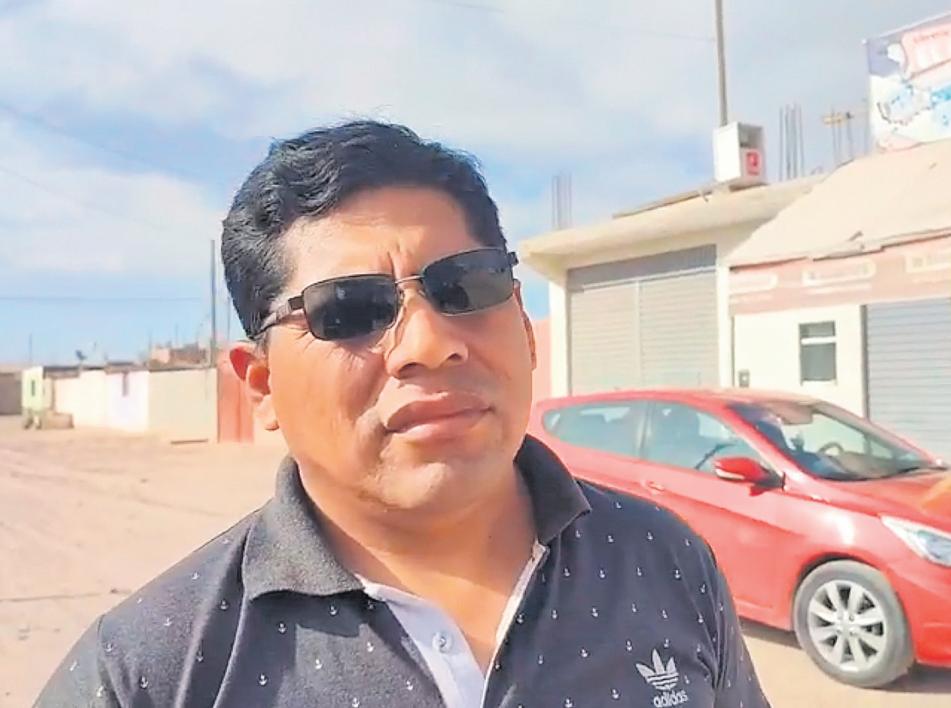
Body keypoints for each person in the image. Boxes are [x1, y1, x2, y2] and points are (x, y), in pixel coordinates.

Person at [37, 121, 771, 707]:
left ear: (523, 326)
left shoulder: (664, 562)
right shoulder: (149, 673)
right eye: (349, 309)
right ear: (261, 385)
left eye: (466, 285)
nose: (428, 344)